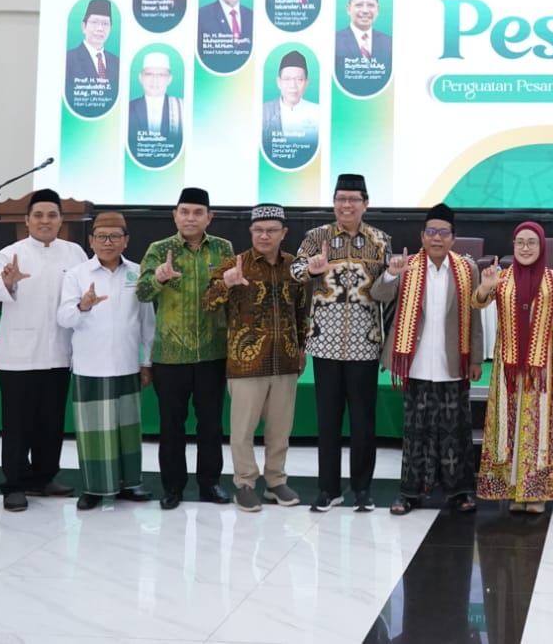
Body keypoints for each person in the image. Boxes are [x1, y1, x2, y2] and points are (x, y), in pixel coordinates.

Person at [290, 172, 407, 512]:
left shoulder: (380, 240)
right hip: (325, 343)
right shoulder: (316, 237)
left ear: (365, 204)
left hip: (365, 344)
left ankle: (362, 489)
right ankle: (328, 489)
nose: (346, 205)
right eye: (340, 199)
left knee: (363, 421)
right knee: (327, 420)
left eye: (353, 200)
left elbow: (386, 294)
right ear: (334, 203)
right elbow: (294, 272)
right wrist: (312, 269)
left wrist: (391, 274)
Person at [380, 204, 485, 515]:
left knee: (456, 430)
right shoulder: (406, 266)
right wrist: (390, 274)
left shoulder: (467, 269)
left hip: (453, 361)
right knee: (416, 430)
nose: (436, 238)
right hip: (415, 361)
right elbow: (379, 295)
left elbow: (474, 318)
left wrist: (476, 358)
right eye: (431, 232)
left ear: (453, 238)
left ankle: (460, 491)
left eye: (443, 232)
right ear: (422, 236)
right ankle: (409, 492)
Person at [205, 204, 309, 512]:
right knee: (242, 431)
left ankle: (276, 481)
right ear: (251, 231)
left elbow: (301, 311)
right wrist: (226, 283)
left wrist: (301, 348)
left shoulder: (294, 267)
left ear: (283, 233)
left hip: (285, 361)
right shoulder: (235, 264)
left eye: (271, 230)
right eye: (259, 230)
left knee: (280, 430)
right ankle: (245, 483)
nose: (265, 236)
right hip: (246, 363)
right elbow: (207, 303)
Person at [135, 187, 234, 510]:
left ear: (209, 217)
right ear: (175, 215)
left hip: (212, 353)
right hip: (170, 355)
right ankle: (172, 487)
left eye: (197, 213)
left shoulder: (223, 248)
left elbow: (228, 295)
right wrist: (159, 279)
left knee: (211, 424)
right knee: (171, 425)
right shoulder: (159, 249)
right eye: (185, 212)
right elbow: (142, 293)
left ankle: (210, 484)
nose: (191, 218)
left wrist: (230, 287)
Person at [0, 187, 86, 512]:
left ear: (61, 220)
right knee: (18, 425)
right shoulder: (10, 254)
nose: (45, 221)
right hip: (19, 355)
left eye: (52, 215)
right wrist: (10, 281)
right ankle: (14, 484)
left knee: (50, 422)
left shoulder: (74, 253)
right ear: (27, 220)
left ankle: (44, 477)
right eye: (39, 215)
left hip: (59, 353)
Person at [472, 221, 553, 513]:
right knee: (507, 428)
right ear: (513, 246)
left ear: (542, 246)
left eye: (532, 242)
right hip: (507, 369)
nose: (525, 248)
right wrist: (485, 287)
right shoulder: (501, 278)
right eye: (520, 242)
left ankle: (536, 493)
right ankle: (513, 491)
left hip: (543, 369)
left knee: (540, 430)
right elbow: (477, 303)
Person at [57, 212, 155, 510]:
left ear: (126, 240)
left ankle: (130, 484)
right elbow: (64, 318)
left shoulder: (139, 273)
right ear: (91, 241)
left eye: (114, 236)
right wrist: (83, 305)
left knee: (127, 430)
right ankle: (94, 489)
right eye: (101, 236)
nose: (108, 242)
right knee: (94, 433)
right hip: (91, 365)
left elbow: (147, 322)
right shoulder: (77, 275)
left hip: (127, 363)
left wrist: (147, 362)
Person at [261, 50, 320, 154]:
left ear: (306, 83)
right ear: (279, 82)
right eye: (287, 79)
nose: (293, 85)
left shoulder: (318, 113)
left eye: (299, 79)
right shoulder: (263, 112)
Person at [127, 51, 183, 155]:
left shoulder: (182, 108)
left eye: (161, 75)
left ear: (169, 79)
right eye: (149, 74)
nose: (154, 80)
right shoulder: (127, 109)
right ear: (140, 78)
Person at [64, 0, 118, 101]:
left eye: (105, 24)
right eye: (94, 22)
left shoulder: (117, 62)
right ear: (83, 26)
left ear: (110, 28)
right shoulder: (68, 59)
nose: (100, 28)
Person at [334, 0, 392, 67]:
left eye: (370, 5)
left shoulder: (389, 43)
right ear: (348, 9)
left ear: (378, 10)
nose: (365, 11)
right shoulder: (335, 41)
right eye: (359, 5)